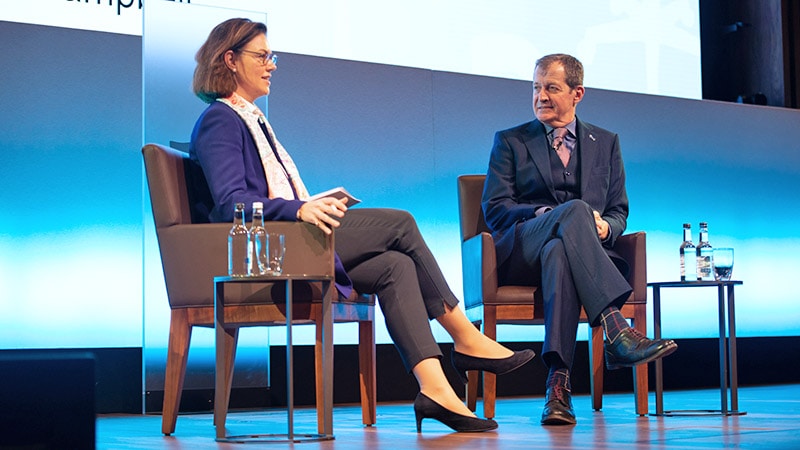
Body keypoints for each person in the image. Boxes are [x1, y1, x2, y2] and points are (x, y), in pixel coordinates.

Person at [189, 18, 535, 433]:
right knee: (401, 224)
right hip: (270, 248)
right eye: (262, 56)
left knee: (395, 266)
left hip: (286, 239)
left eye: (271, 56)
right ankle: (465, 337)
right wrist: (300, 210)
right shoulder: (220, 120)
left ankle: (436, 389)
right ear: (230, 59)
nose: (272, 64)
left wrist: (307, 206)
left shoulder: (251, 119)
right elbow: (231, 203)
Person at [481, 54, 677, 426]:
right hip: (523, 250)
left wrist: (606, 229)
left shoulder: (606, 142)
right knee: (573, 212)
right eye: (536, 87)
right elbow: (496, 208)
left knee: (560, 251)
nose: (540, 96)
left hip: (578, 254)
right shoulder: (510, 141)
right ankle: (616, 328)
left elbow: (618, 211)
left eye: (551, 88)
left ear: (577, 93)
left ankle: (558, 387)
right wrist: (547, 215)